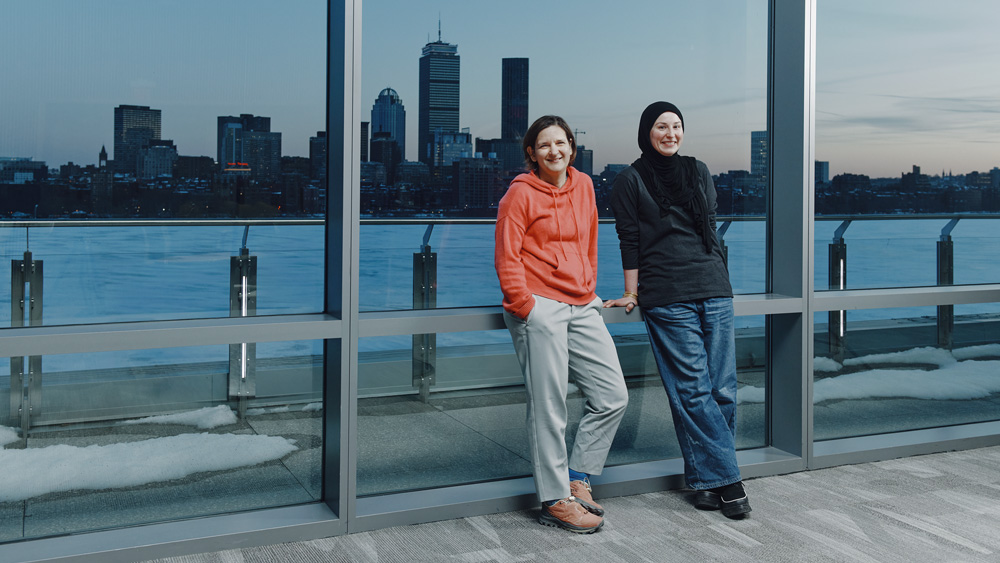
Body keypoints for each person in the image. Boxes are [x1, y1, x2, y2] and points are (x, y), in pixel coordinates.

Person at [604, 101, 751, 519]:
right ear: (645, 131)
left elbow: (710, 224)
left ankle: (708, 483)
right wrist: (632, 293)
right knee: (692, 390)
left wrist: (720, 274)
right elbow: (628, 240)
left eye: (676, 126)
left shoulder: (698, 170)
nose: (670, 133)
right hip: (667, 294)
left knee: (723, 388)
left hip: (714, 287)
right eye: (661, 126)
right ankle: (731, 483)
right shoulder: (629, 180)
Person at [495, 115, 629, 534]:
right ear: (532, 154)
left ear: (572, 147)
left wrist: (588, 284)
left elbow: (589, 240)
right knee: (550, 406)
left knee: (612, 396)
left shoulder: (585, 185)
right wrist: (525, 305)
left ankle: (578, 476)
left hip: (582, 302)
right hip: (540, 307)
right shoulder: (518, 195)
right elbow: (507, 255)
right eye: (544, 145)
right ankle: (555, 499)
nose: (554, 151)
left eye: (561, 143)